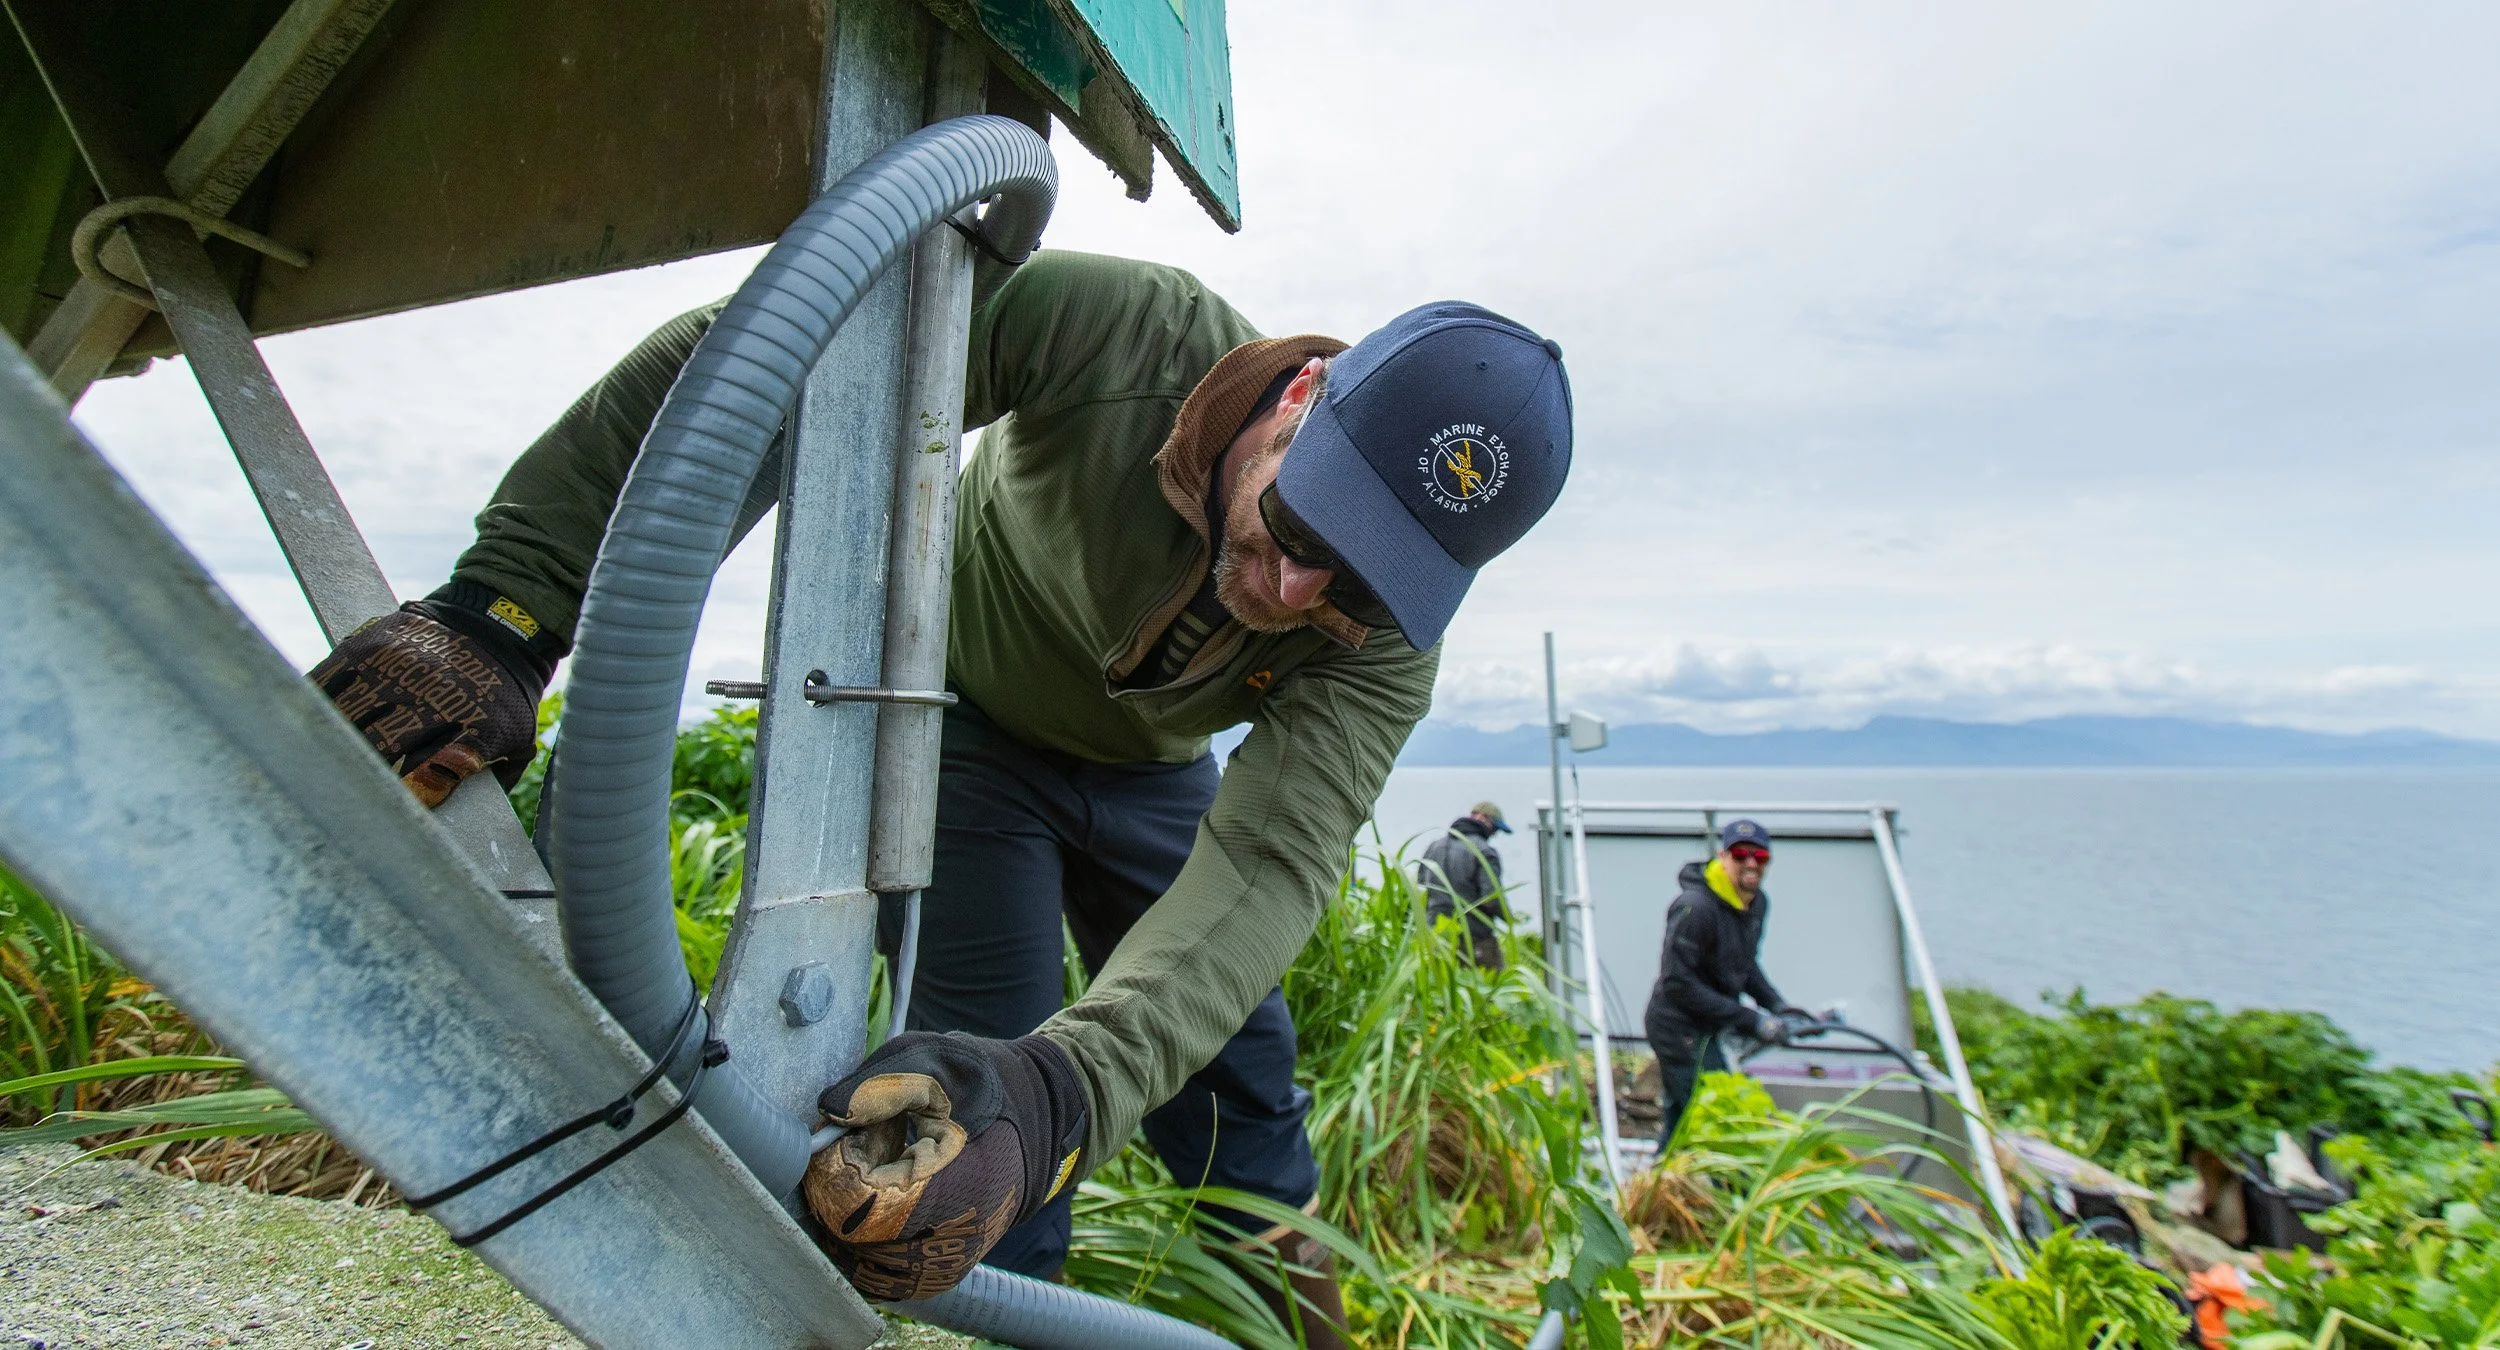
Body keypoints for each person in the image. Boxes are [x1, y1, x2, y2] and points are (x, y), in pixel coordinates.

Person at [305, 248, 1572, 1338]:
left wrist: (1074, 1090)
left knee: (1232, 1079)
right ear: (1301, 393)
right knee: (976, 1100)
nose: (1300, 597)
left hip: (1152, 777)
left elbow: (1273, 861)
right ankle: (1001, 1313)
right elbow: (770, 364)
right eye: (1304, 526)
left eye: (1354, 581)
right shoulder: (1120, 334)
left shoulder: (1388, 626)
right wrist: (508, 608)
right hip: (965, 734)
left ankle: (1284, 1323)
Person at [1641, 818, 1802, 1145]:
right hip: (1677, 1027)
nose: (1751, 863)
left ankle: (1657, 1186)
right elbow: (1677, 982)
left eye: (1760, 857)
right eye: (1741, 854)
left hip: (1708, 1024)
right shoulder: (1695, 908)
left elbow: (1744, 965)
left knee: (1683, 1121)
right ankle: (1727, 1191)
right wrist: (1753, 1020)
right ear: (1723, 856)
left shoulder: (1756, 904)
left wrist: (1779, 1006)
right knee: (1716, 1118)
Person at [1418, 801, 1512, 968]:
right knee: (1491, 985)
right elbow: (1491, 899)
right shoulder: (1485, 852)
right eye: (1495, 829)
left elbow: (1421, 886)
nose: (1494, 834)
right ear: (1484, 820)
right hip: (1474, 937)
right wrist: (1510, 920)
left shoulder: (1434, 847)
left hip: (1438, 935)